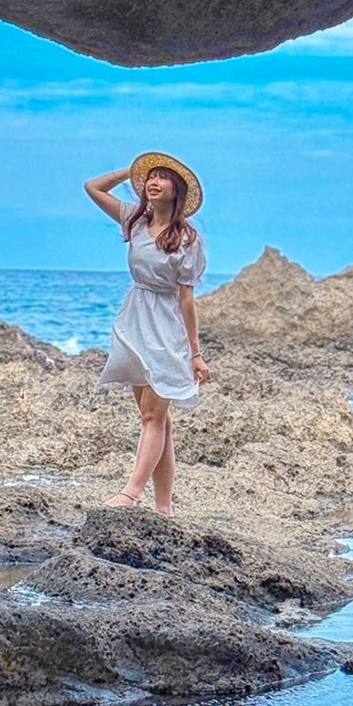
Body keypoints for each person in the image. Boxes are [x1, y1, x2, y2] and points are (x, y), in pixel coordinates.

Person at [83, 151, 211, 515]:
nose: (153, 183)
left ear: (178, 190)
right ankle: (164, 508)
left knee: (153, 417)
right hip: (135, 320)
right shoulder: (134, 221)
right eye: (149, 178)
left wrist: (195, 353)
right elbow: (92, 187)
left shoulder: (187, 239)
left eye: (162, 177)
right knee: (158, 418)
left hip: (166, 326)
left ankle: (132, 491)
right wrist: (132, 170)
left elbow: (187, 298)